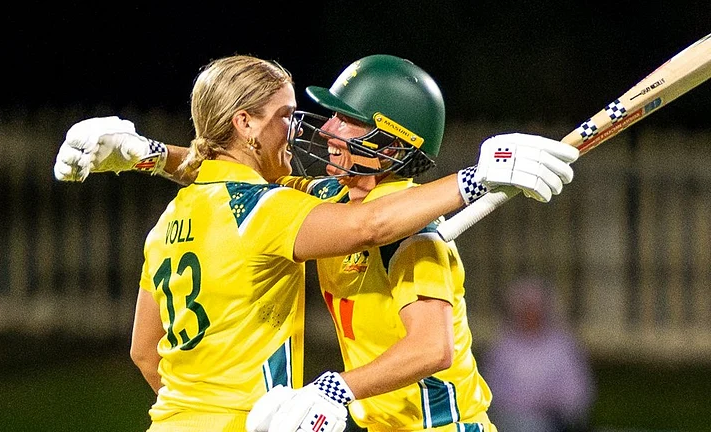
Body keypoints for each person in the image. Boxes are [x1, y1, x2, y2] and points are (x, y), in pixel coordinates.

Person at [54, 54, 579, 432]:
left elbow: (432, 347)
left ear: (387, 141)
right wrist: (148, 153)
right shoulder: (323, 199)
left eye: (346, 121)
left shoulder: (415, 231)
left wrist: (336, 389)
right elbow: (236, 184)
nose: (324, 128)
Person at [479, 276, 596, 432]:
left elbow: (578, 391)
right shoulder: (502, 348)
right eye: (526, 309)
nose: (531, 314)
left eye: (535, 308)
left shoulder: (563, 346)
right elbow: (491, 391)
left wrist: (550, 402)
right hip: (511, 421)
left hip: (555, 421)